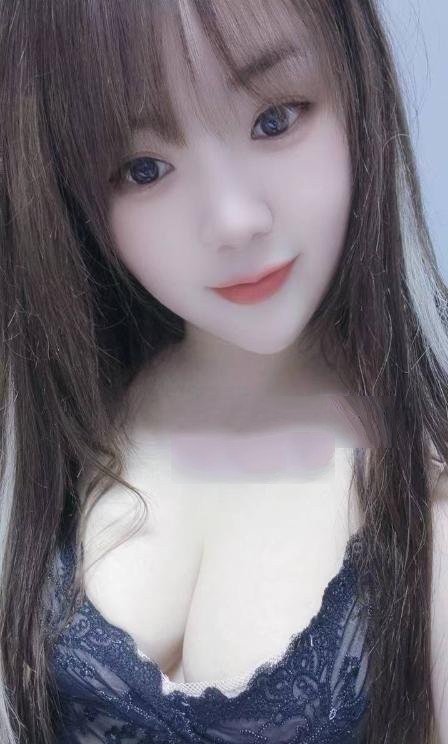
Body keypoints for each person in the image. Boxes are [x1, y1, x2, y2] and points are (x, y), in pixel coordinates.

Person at [0, 0, 447, 742]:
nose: (235, 219)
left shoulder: (427, 495)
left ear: (357, 85)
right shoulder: (64, 414)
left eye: (276, 119)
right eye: (143, 169)